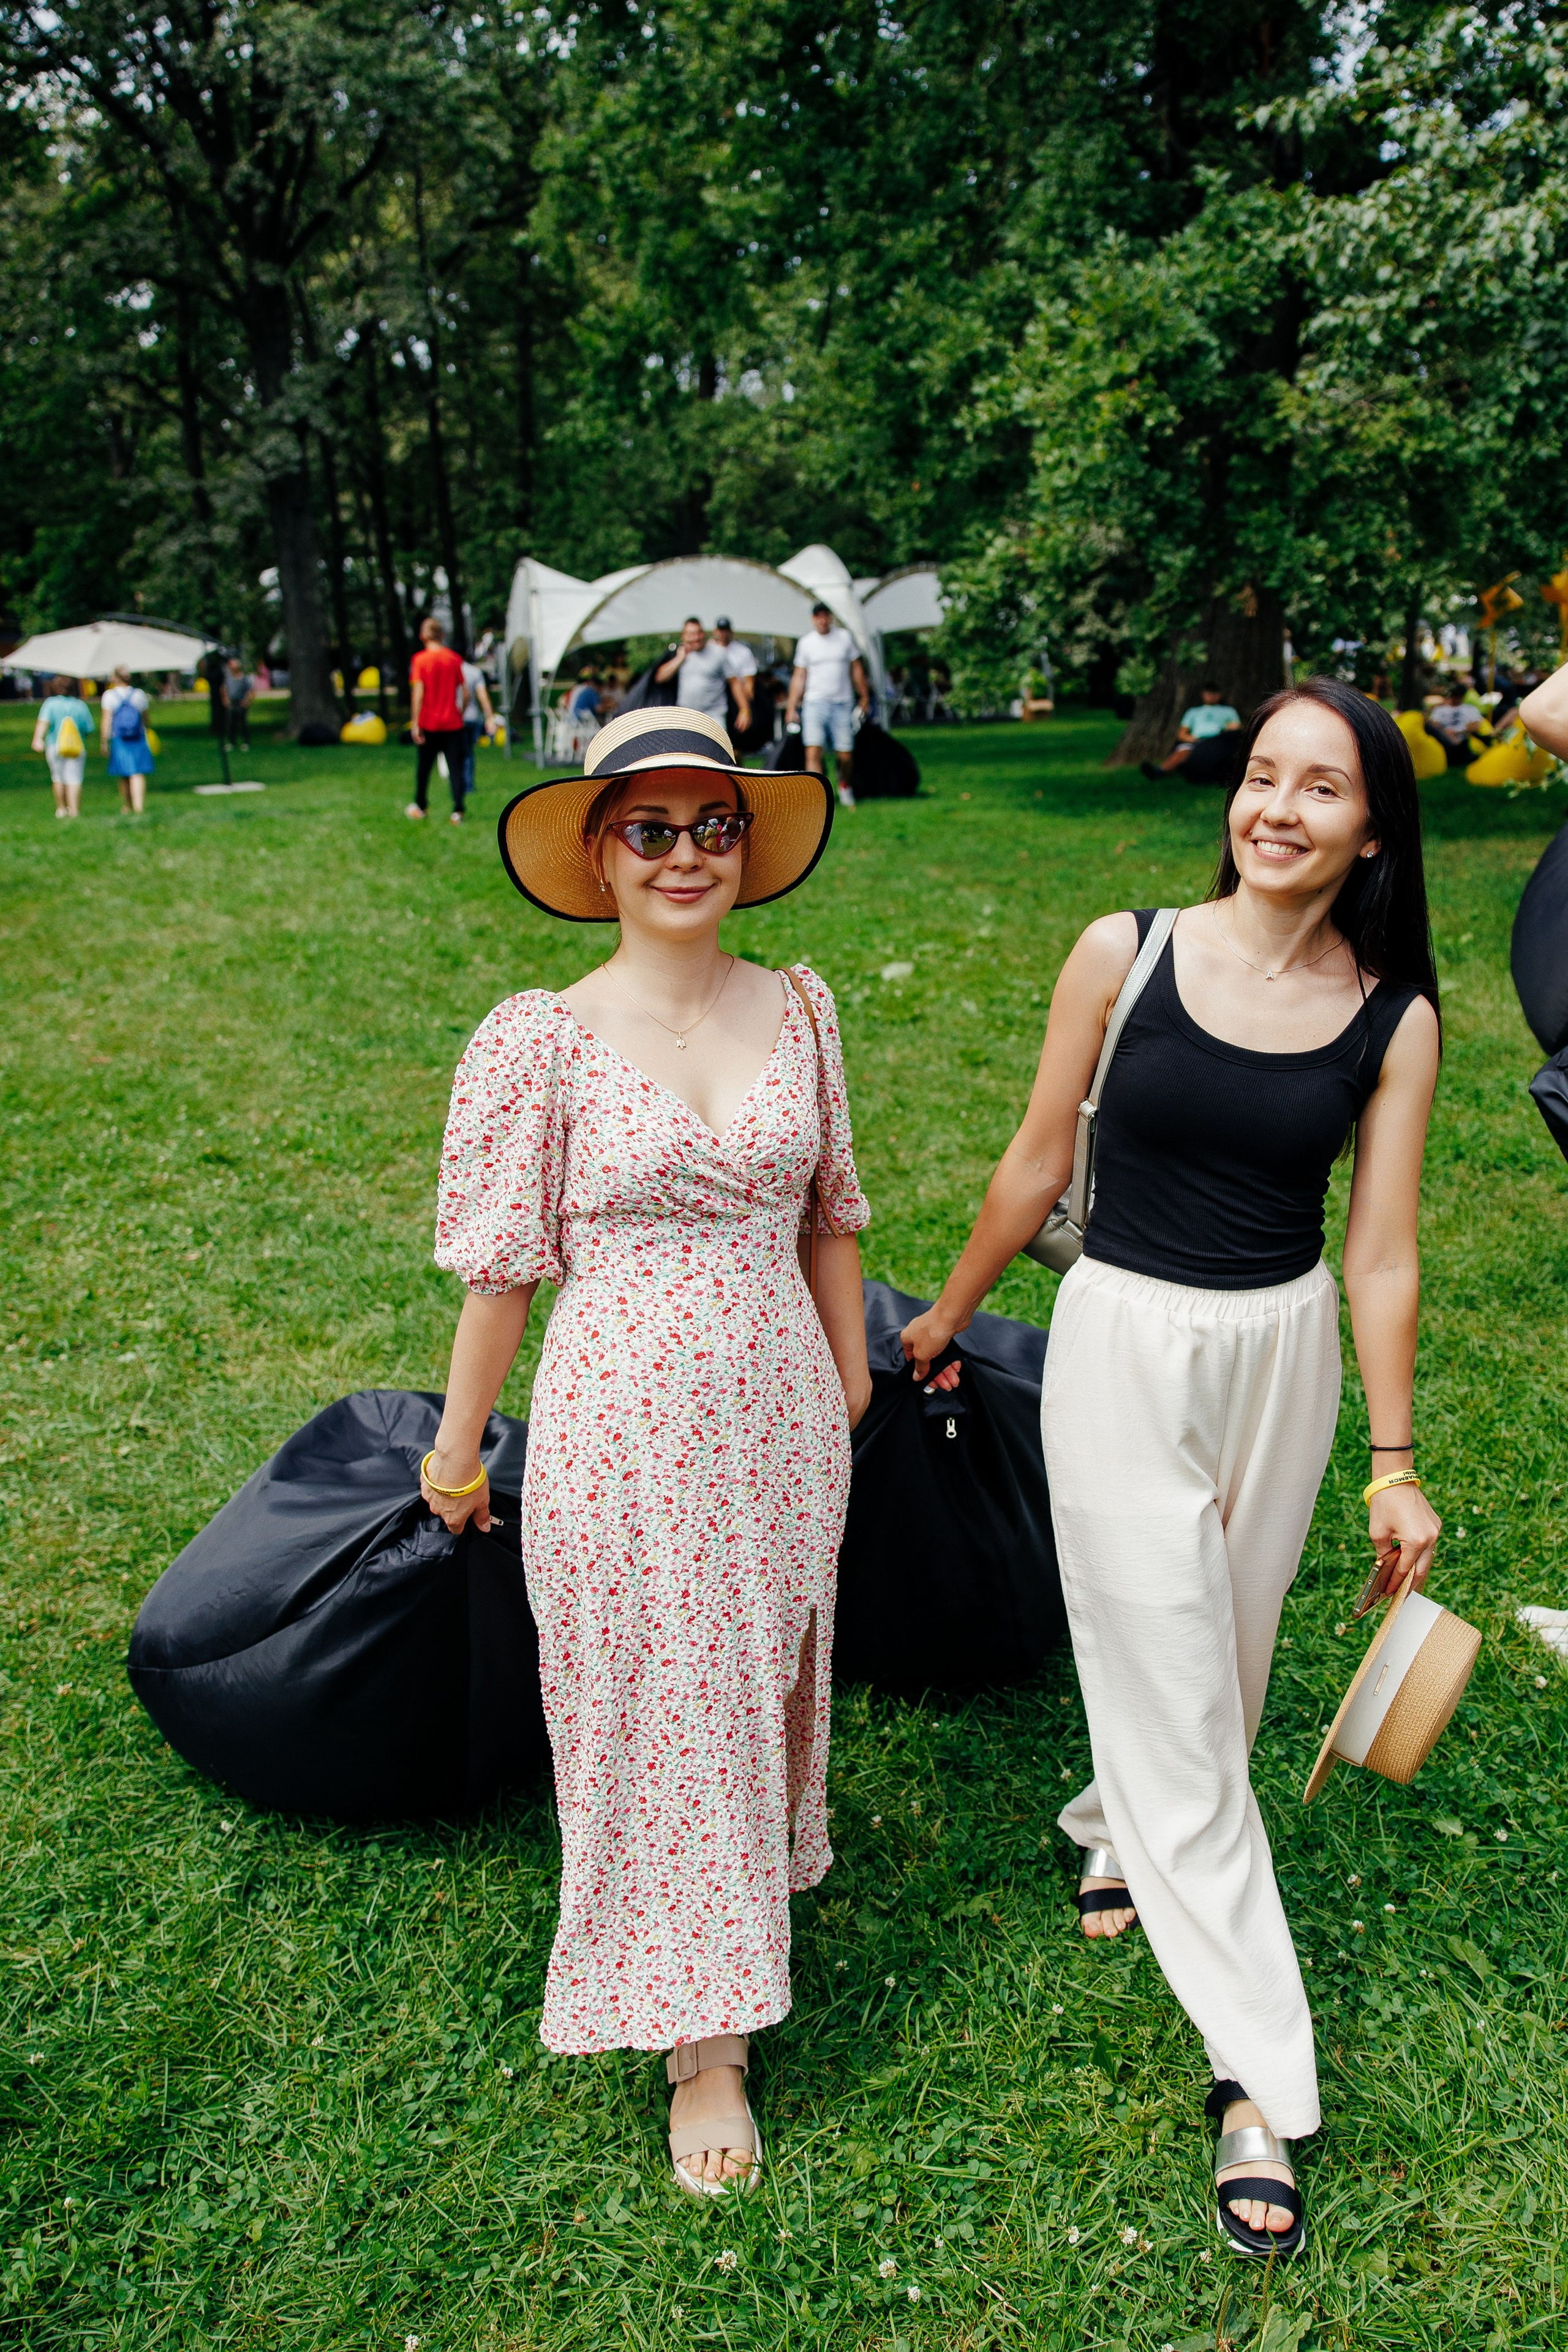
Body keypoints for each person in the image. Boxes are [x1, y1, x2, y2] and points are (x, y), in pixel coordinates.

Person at [902, 678, 1442, 2261]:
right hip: (1125, 1348)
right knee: (1185, 1699)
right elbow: (1036, 1160)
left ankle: (1106, 1824)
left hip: (1283, 1359)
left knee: (1232, 1661)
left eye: (1320, 786)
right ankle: (1257, 2073)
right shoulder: (1122, 953)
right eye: (1260, 773)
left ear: (1369, 829)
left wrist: (1394, 1466)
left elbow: (1387, 1256)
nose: (1276, 806)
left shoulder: (1391, 1018)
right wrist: (947, 1313)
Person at [422, 706, 865, 2197]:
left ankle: (727, 1922)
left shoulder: (801, 1009)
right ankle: (704, 2041)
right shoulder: (534, 1037)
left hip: (783, 1412)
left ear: (747, 846)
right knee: (647, 1701)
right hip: (616, 1420)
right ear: (600, 853)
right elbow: (502, 1268)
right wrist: (455, 1446)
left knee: (746, 1681)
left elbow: (831, 1215)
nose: (686, 854)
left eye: (714, 826)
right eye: (651, 829)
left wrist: (852, 1381)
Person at [786, 603, 870, 810]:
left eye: (825, 616)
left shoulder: (844, 639)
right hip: (815, 703)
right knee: (813, 751)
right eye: (818, 617)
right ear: (813, 619)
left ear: (830, 618)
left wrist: (865, 696)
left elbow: (856, 669)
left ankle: (845, 785)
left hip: (842, 703)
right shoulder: (807, 643)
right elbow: (799, 676)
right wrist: (791, 707)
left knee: (845, 754)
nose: (822, 621)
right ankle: (819, 797)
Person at [408, 617, 469, 824]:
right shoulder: (453, 659)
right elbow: (465, 692)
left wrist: (415, 723)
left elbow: (419, 693)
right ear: (442, 635)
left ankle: (421, 804)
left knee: (424, 767)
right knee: (456, 767)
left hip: (429, 724)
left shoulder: (420, 660)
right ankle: (458, 809)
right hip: (453, 723)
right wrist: (460, 711)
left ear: (423, 636)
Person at [1142, 681, 1242, 778]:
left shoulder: (1228, 711)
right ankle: (1160, 771)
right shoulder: (1193, 712)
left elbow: (1235, 728)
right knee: (1183, 751)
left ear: (1219, 695)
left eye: (1213, 693)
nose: (1210, 695)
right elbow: (1182, 734)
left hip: (1218, 741)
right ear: (1203, 694)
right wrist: (1193, 740)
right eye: (1208, 693)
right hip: (1196, 740)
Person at [31, 674, 94, 820]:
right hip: (77, 747)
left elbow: (43, 723)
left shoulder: (51, 704)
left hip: (55, 745)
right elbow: (89, 728)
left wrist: (38, 739)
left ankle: (61, 808)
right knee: (75, 778)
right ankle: (74, 811)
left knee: (58, 777)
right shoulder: (80, 705)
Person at [656, 618, 734, 728]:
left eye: (699, 633)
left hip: (714, 715)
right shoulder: (678, 652)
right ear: (684, 636)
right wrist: (680, 659)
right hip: (686, 714)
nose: (696, 638)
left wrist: (744, 709)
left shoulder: (719, 652)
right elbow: (660, 678)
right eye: (692, 634)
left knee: (718, 745)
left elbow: (734, 682)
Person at [100, 665, 155, 815]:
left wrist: (104, 741)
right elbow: (146, 719)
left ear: (114, 678)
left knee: (123, 773)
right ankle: (139, 806)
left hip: (119, 738)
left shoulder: (109, 696)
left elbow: (106, 720)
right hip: (138, 737)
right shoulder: (139, 694)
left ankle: (127, 805)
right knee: (137, 772)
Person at [459, 650, 498, 804]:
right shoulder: (475, 672)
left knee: (457, 754)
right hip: (473, 717)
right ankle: (468, 784)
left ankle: (459, 784)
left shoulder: (451, 669)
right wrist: (490, 717)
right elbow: (483, 697)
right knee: (468, 752)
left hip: (456, 718)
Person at [712, 617, 756, 739]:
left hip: (735, 701)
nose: (723, 634)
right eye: (721, 630)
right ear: (715, 631)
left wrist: (743, 706)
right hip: (715, 701)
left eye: (726, 630)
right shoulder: (710, 649)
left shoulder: (743, 652)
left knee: (737, 744)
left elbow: (747, 684)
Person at [1427, 685, 1488, 766]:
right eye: (1453, 695)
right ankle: (1458, 751)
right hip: (1444, 737)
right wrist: (1446, 733)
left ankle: (1457, 750)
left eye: (1458, 696)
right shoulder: (1440, 710)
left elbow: (1475, 726)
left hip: (1463, 737)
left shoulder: (1470, 709)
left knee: (1462, 743)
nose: (1455, 698)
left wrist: (1457, 732)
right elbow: (1434, 725)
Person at [220, 655, 254, 749]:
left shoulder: (244, 678)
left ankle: (246, 742)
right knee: (231, 723)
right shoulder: (228, 679)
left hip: (241, 703)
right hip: (232, 703)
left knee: (243, 723)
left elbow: (250, 691)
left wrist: (247, 701)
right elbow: (224, 689)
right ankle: (232, 742)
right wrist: (225, 699)